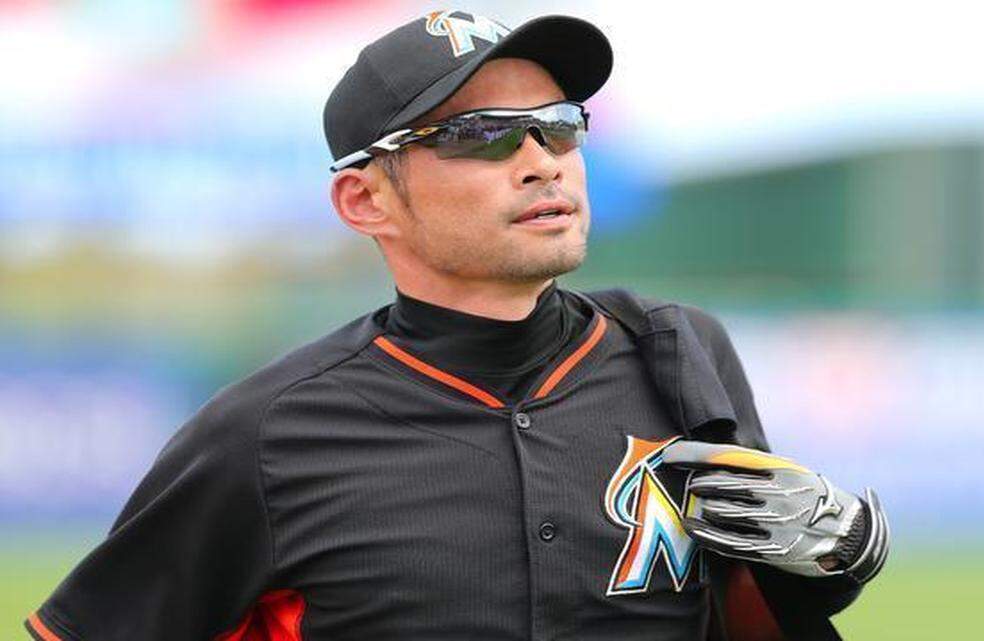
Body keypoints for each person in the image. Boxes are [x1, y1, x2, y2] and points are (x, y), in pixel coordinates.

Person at [24, 11, 887, 641]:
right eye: (480, 135)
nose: (540, 159)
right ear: (365, 198)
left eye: (556, 126)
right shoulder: (269, 430)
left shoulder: (677, 349)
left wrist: (825, 566)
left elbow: (745, 618)